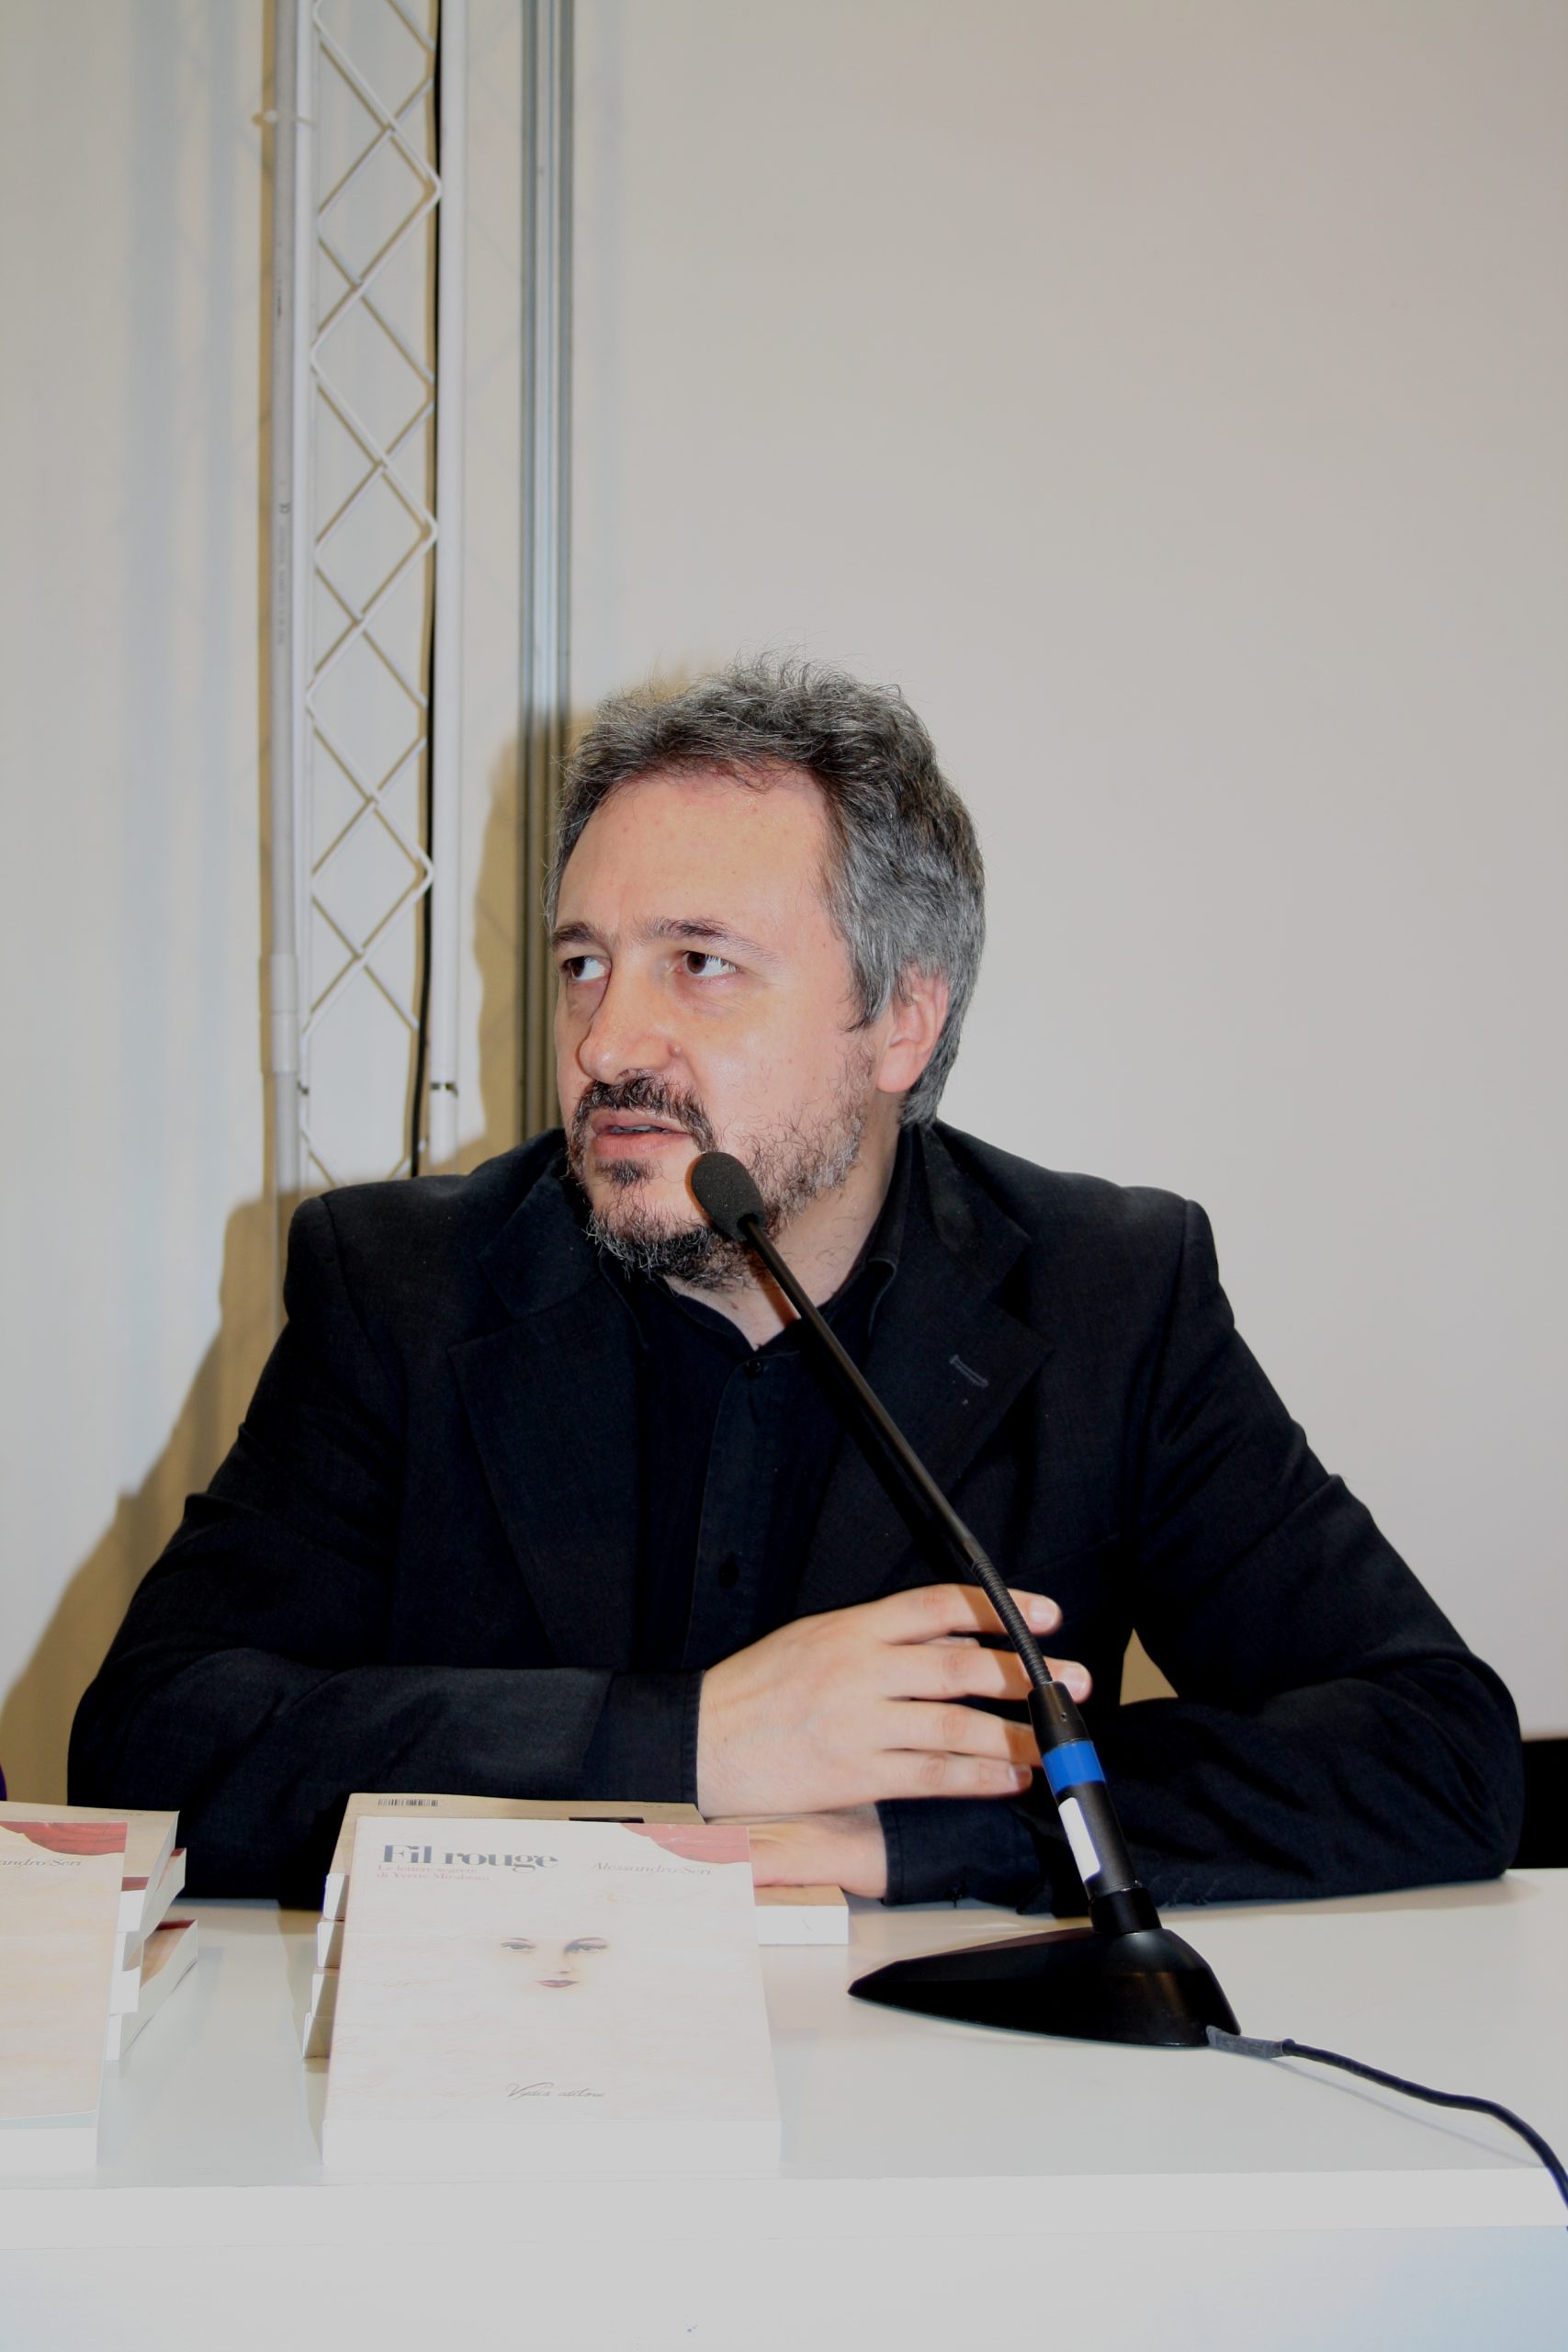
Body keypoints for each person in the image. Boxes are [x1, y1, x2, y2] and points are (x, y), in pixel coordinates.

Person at [70, 662, 1523, 1909]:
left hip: (947, 2107)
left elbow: (1437, 1751)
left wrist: (927, 1839)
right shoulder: (403, 1286)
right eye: (584, 964)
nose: (606, 1043)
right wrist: (693, 1742)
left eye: (700, 963)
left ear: (901, 1021)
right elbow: (149, 1743)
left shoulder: (1105, 1296)